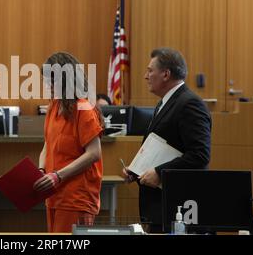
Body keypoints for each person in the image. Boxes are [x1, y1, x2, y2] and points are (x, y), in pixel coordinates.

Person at [122, 47, 211, 233]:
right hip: (160, 206)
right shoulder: (165, 102)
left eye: (150, 70)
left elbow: (199, 155)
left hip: (179, 207)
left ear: (166, 74)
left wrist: (159, 172)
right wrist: (138, 169)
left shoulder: (190, 104)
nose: (146, 76)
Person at [33, 52, 104, 233]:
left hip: (76, 197)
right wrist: (42, 170)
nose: (47, 85)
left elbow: (94, 153)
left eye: (51, 80)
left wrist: (58, 175)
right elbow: (47, 144)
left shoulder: (83, 108)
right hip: (54, 194)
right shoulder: (54, 105)